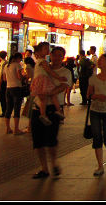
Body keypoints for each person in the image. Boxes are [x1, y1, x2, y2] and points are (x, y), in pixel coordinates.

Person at [30, 47, 70, 179]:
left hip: (53, 109)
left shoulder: (66, 72)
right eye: (54, 55)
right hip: (38, 108)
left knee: (51, 140)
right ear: (50, 55)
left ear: (63, 57)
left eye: (60, 55)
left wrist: (47, 92)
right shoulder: (43, 65)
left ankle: (53, 164)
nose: (56, 57)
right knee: (38, 141)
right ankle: (44, 168)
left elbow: (63, 86)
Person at [30, 42, 68, 125]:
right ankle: (49, 113)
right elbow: (49, 71)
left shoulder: (40, 61)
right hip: (43, 81)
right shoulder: (43, 62)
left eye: (48, 48)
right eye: (45, 49)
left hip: (42, 80)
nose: (47, 50)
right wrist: (59, 78)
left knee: (48, 96)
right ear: (40, 51)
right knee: (46, 97)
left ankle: (53, 112)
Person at [3, 52, 25, 135]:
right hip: (16, 88)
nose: (21, 60)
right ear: (17, 58)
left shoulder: (6, 66)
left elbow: (4, 79)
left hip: (8, 88)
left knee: (8, 109)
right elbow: (19, 77)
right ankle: (16, 129)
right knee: (17, 108)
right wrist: (24, 77)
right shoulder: (17, 65)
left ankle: (8, 128)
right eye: (20, 58)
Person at [0, 51, 9, 117]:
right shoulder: (6, 63)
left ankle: (4, 111)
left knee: (2, 97)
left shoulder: (3, 64)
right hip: (6, 81)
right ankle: (5, 111)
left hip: (3, 82)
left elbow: (1, 75)